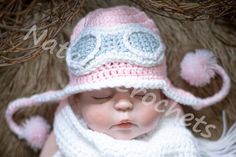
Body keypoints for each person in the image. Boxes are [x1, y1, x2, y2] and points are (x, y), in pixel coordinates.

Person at [5, 5, 235, 157]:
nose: (123, 105)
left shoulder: (173, 134)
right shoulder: (67, 132)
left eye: (143, 95)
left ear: (164, 98)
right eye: (101, 96)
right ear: (76, 102)